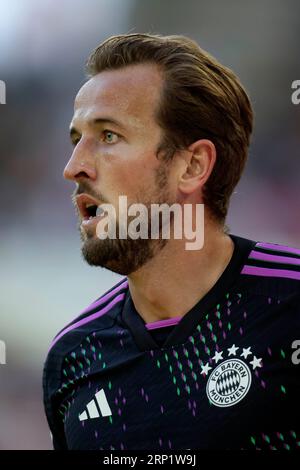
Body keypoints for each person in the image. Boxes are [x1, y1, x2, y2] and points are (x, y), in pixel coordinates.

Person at [43, 33, 300, 450]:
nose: (74, 168)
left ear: (192, 166)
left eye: (108, 136)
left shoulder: (290, 306)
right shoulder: (73, 357)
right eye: (77, 140)